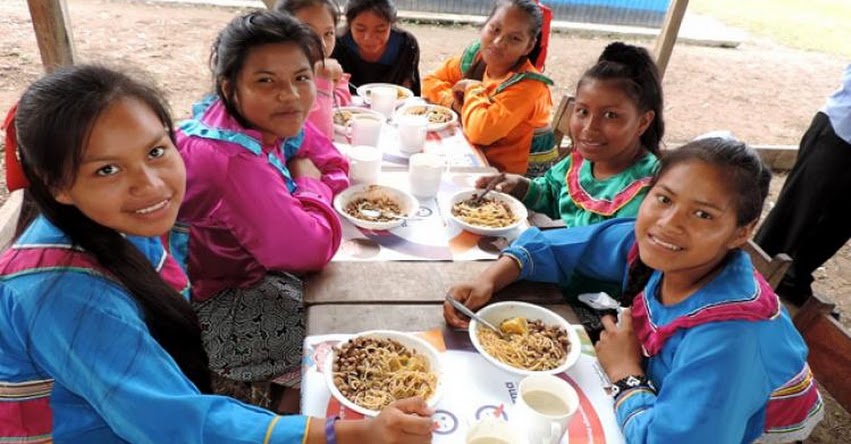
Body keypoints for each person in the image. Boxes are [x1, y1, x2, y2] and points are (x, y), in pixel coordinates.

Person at [0, 64, 434, 444]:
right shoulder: (64, 297)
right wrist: (353, 434)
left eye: (155, 151)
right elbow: (176, 425)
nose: (151, 185)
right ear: (55, 184)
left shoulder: (120, 223)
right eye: (107, 169)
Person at [444, 138, 823, 443]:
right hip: (685, 395)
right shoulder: (653, 248)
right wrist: (489, 278)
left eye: (703, 214)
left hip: (749, 420)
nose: (669, 224)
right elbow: (565, 246)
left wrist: (626, 372)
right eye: (664, 198)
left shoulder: (729, 340)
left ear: (742, 232)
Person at [175, 10, 348, 412]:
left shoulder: (239, 118)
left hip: (240, 270)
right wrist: (310, 181)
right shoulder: (232, 160)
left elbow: (321, 151)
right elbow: (311, 249)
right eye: (265, 80)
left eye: (301, 78)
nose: (290, 95)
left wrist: (321, 178)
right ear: (229, 87)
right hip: (214, 303)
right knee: (336, 336)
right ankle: (282, 413)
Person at [474, 41, 663, 228]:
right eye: (582, 111)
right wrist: (519, 185)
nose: (590, 128)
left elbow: (607, 252)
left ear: (643, 122)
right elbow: (553, 193)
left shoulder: (645, 193)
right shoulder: (584, 161)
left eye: (610, 115)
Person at [755, 64, 851, 309]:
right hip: (841, 133)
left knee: (835, 228)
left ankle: (791, 286)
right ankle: (747, 286)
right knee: (790, 223)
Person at [422, 0, 553, 175]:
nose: (498, 42)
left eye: (515, 38)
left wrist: (472, 89)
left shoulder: (529, 87)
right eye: (495, 29)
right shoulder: (477, 57)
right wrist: (453, 104)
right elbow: (431, 81)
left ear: (528, 46)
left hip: (508, 181)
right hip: (473, 158)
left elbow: (480, 131)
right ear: (484, 26)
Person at [275, 0, 352, 139]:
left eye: (328, 33)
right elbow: (317, 139)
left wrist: (333, 84)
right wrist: (322, 83)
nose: (321, 44)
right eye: (308, 33)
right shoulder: (279, 80)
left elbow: (344, 105)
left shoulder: (325, 66)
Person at [331, 0, 421, 95]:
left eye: (380, 30)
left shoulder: (405, 45)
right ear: (349, 24)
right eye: (360, 29)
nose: (369, 38)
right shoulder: (336, 44)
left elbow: (409, 92)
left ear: (391, 25)